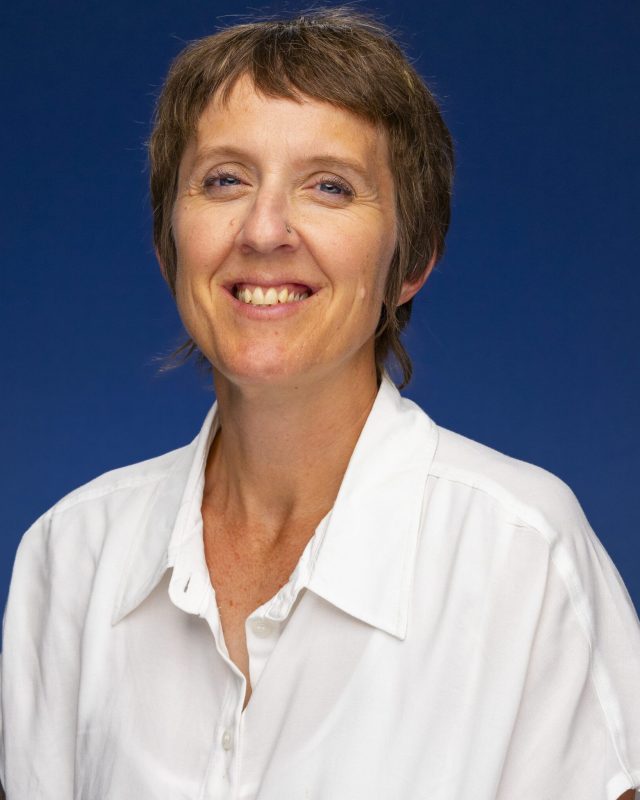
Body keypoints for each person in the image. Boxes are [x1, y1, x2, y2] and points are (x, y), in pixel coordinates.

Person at [0, 8, 638, 799]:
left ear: (411, 262)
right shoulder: (70, 554)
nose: (264, 229)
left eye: (330, 187)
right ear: (170, 244)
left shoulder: (520, 554)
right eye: (225, 180)